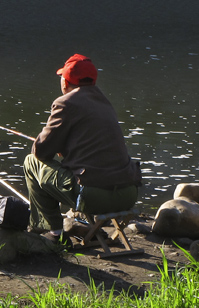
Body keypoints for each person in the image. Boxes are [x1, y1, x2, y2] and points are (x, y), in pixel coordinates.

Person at [24, 54, 141, 240]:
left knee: (31, 162)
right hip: (128, 194)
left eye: (62, 76)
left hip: (95, 197)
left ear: (66, 81)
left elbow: (41, 151)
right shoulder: (104, 102)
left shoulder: (65, 102)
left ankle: (53, 232)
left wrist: (53, 145)